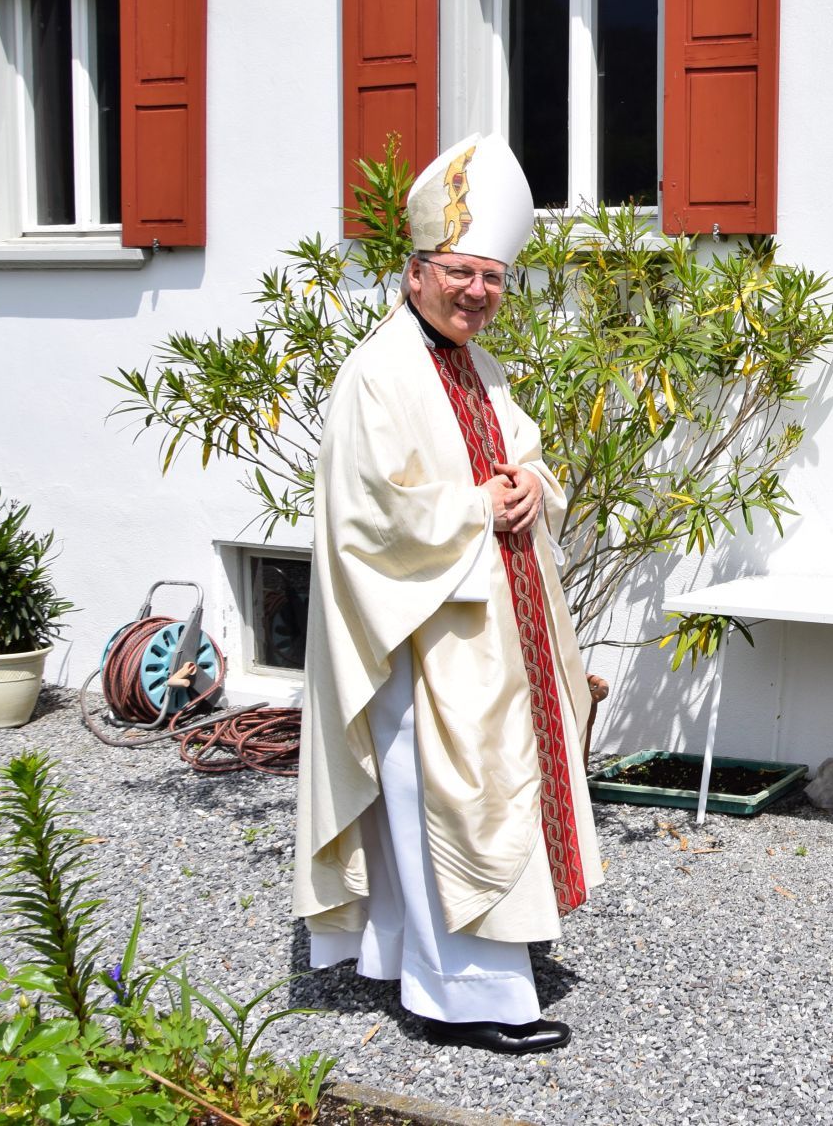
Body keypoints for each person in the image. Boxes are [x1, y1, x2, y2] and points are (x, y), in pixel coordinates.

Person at [294, 135, 601, 1055]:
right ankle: (462, 999)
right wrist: (480, 505)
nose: (478, 293)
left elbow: (525, 454)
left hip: (489, 628)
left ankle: (412, 962)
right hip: (420, 633)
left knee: (477, 796)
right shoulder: (378, 373)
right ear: (416, 271)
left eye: (493, 278)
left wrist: (527, 488)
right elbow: (370, 517)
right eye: (462, 273)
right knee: (444, 806)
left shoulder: (476, 365)